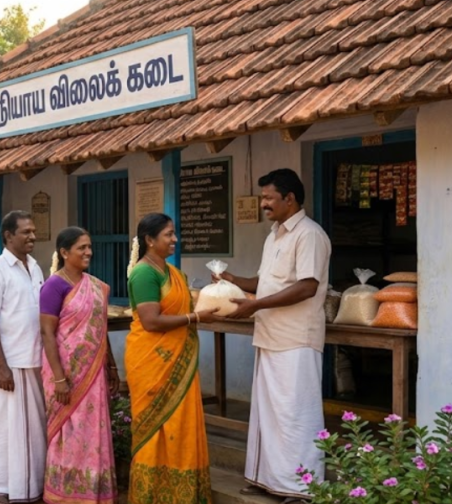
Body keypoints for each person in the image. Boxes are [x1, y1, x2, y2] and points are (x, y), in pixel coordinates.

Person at [219, 168, 331, 503]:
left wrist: (254, 306)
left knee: (296, 415)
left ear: (290, 198)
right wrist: (231, 278)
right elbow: (265, 282)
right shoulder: (274, 235)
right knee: (269, 415)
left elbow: (307, 286)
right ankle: (268, 480)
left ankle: (302, 487)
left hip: (296, 338)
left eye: (269, 198)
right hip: (269, 336)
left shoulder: (309, 235)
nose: (264, 204)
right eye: (263, 197)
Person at [125, 213, 216, 504]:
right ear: (150, 240)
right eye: (168, 234)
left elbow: (181, 304)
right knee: (156, 428)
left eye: (174, 233)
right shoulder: (144, 273)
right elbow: (151, 321)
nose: (175, 239)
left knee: (181, 424)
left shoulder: (174, 273)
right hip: (152, 361)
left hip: (178, 360)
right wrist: (195, 317)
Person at [40, 227, 119, 504]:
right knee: (67, 431)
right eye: (81, 248)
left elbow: (100, 329)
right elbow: (47, 333)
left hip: (92, 372)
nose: (88, 252)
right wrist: (60, 378)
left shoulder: (95, 286)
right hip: (64, 372)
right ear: (64, 253)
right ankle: (64, 494)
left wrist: (111, 365)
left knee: (91, 429)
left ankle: (92, 492)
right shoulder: (54, 285)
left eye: (89, 246)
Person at [0, 211, 46, 504]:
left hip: (34, 358)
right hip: (10, 362)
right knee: (5, 425)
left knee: (32, 428)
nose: (32, 236)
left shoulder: (36, 267)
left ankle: (29, 487)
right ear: (8, 236)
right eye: (26, 232)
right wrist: (1, 366)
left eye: (33, 231)